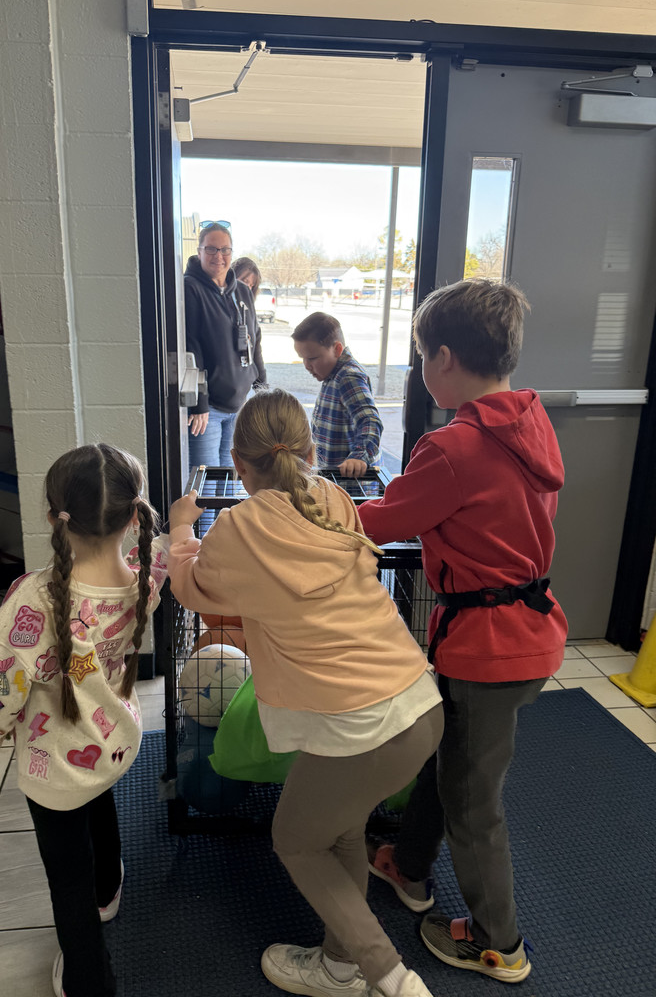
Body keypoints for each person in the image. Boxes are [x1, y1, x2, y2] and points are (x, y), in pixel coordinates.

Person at [168, 388, 443, 997]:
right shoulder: (336, 499)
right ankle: (340, 965)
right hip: (419, 705)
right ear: (311, 452)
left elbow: (190, 587)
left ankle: (388, 976)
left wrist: (180, 527)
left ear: (238, 464)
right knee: (339, 829)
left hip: (359, 726)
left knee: (295, 840)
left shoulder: (237, 529)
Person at [358, 279, 568, 984]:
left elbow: (381, 520)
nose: (421, 369)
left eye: (421, 356)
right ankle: (410, 865)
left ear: (444, 358)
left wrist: (307, 507)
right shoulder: (530, 421)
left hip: (488, 646)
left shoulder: (453, 447)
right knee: (444, 753)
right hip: (522, 628)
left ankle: (497, 943)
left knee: (475, 802)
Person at [0, 443, 169, 997]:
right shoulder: (144, 578)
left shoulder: (35, 598)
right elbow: (167, 557)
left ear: (54, 517)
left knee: (65, 878)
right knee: (97, 797)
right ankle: (108, 890)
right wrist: (184, 525)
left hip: (53, 762)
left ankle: (88, 981)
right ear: (134, 516)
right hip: (112, 737)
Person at [185, 222, 266, 468]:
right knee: (207, 481)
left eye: (225, 250)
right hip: (207, 410)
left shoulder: (242, 291)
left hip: (240, 404)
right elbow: (191, 348)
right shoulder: (190, 288)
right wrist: (199, 403)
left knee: (233, 477)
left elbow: (255, 338)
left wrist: (262, 388)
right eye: (211, 249)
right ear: (199, 251)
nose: (218, 256)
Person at [292, 311, 383, 478]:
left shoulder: (348, 377)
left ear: (337, 349)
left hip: (349, 481)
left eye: (312, 358)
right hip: (332, 477)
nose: (306, 365)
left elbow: (370, 421)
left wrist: (359, 457)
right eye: (302, 358)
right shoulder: (331, 374)